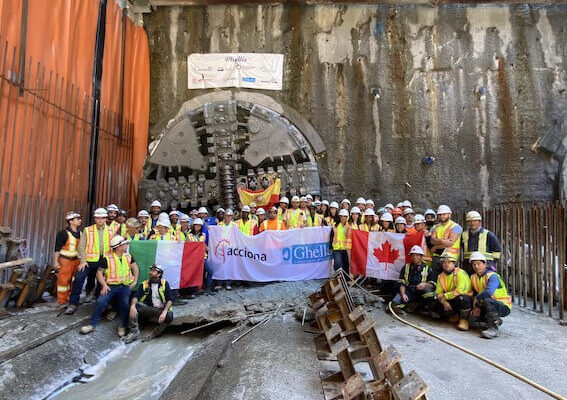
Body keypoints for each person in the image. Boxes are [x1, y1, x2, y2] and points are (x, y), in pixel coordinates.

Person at [80, 235, 139, 336]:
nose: (126, 245)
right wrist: (104, 285)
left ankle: (123, 326)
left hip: (125, 286)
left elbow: (135, 268)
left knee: (125, 305)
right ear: (118, 246)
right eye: (124, 244)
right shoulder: (106, 258)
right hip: (110, 286)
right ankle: (92, 325)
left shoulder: (128, 256)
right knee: (100, 302)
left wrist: (135, 281)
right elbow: (99, 273)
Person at [65, 208, 112, 315]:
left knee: (104, 280)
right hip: (89, 261)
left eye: (102, 218)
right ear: (95, 218)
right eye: (98, 218)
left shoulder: (110, 230)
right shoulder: (88, 230)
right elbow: (81, 246)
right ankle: (73, 303)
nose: (100, 220)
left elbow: (112, 246)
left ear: (105, 219)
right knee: (79, 277)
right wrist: (82, 261)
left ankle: (100, 301)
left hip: (104, 260)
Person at [123, 264, 174, 343]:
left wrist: (164, 312)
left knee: (169, 316)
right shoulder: (145, 284)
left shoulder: (164, 284)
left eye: (154, 271)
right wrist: (133, 306)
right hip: (149, 308)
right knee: (135, 306)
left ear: (159, 274)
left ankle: (154, 334)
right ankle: (134, 332)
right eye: (151, 270)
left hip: (161, 310)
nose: (151, 272)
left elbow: (170, 299)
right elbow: (136, 296)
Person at [469, 252, 511, 339]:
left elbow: (489, 293)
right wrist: (476, 307)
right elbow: (473, 293)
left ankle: (493, 329)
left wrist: (477, 298)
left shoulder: (492, 276)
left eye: (479, 264)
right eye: (474, 264)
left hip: (502, 306)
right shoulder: (473, 277)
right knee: (472, 316)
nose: (476, 266)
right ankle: (494, 321)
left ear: (485, 264)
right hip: (485, 304)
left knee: (487, 300)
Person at [432, 250, 472, 331]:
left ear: (454, 263)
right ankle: (454, 315)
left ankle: (464, 320)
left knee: (462, 298)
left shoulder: (461, 273)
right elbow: (438, 292)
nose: (446, 264)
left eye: (449, 262)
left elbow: (460, 291)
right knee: (434, 302)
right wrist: (444, 302)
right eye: (444, 262)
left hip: (465, 299)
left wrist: (445, 296)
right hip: (451, 298)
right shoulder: (441, 276)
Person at [391, 245, 436, 313]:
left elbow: (433, 284)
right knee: (395, 302)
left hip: (420, 293)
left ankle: (420, 307)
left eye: (417, 255)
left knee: (429, 293)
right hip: (408, 291)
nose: (415, 257)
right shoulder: (406, 267)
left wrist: (425, 284)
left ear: (421, 257)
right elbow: (401, 282)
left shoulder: (428, 269)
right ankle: (410, 306)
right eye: (413, 255)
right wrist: (403, 294)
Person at [53, 211, 82, 306]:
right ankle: (62, 300)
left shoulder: (80, 233)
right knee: (63, 281)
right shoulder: (63, 233)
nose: (80, 221)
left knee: (74, 280)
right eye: (77, 219)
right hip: (65, 260)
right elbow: (57, 248)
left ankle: (70, 297)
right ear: (71, 221)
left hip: (77, 261)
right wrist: (55, 262)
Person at [430, 205, 462, 275]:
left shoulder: (456, 227)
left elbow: (450, 243)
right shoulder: (436, 227)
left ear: (449, 214)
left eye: (444, 214)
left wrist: (436, 246)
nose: (442, 216)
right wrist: (444, 241)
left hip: (450, 258)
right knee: (436, 279)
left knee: (451, 278)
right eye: (440, 215)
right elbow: (432, 241)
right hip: (437, 257)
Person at [187, 218, 215, 295]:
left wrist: (208, 249)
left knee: (209, 271)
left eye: (199, 226)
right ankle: (197, 289)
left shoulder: (203, 235)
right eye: (196, 225)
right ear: (193, 226)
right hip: (194, 259)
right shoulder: (189, 235)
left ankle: (207, 288)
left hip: (203, 257)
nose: (198, 227)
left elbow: (204, 244)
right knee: (197, 274)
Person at [332, 209, 351, 274]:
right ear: (339, 217)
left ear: (347, 217)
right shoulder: (335, 225)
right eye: (341, 216)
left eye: (344, 216)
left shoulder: (349, 226)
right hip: (337, 247)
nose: (343, 218)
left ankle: (345, 278)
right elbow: (332, 235)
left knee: (346, 264)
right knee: (337, 263)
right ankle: (338, 276)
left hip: (346, 248)